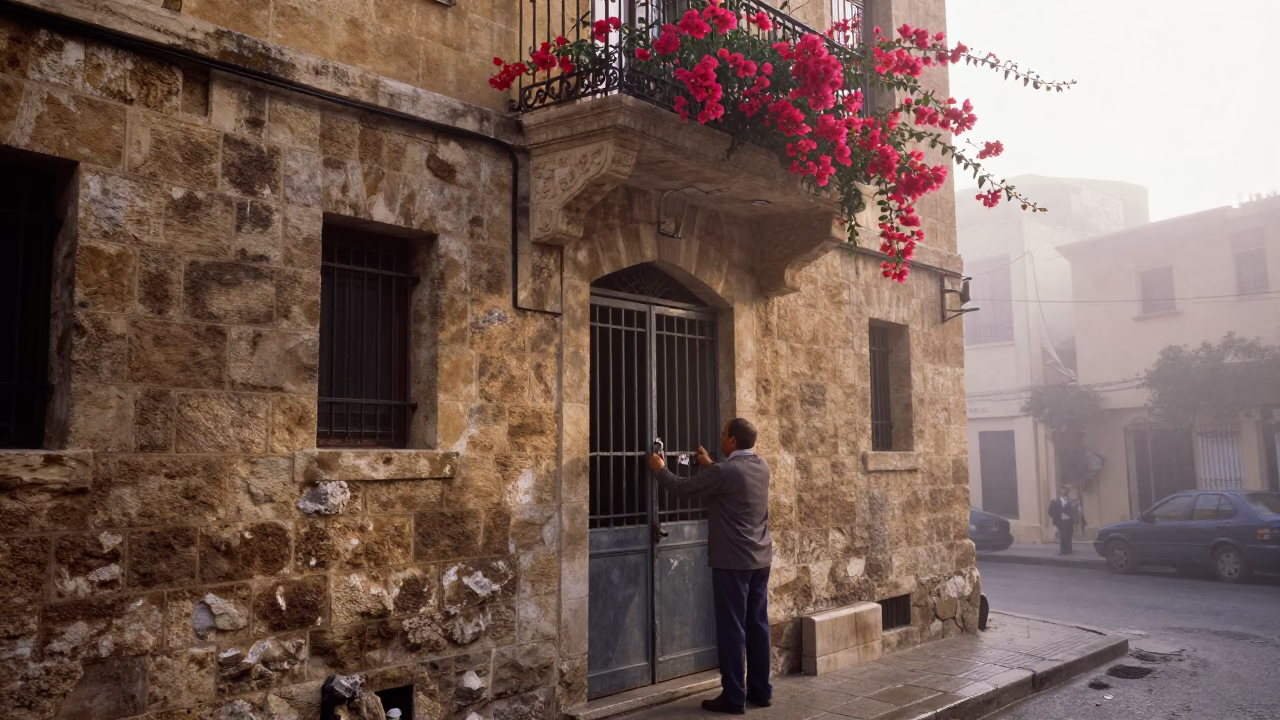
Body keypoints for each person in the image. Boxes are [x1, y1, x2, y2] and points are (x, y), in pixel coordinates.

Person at [649, 418, 772, 715]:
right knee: (757, 626)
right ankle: (761, 690)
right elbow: (731, 485)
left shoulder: (725, 470)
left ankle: (733, 696)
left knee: (732, 628)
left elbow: (681, 489)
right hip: (760, 558)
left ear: (732, 441)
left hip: (732, 561)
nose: (721, 438)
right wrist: (709, 465)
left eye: (723, 434)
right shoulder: (761, 466)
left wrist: (659, 469)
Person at [1047, 489, 1077, 556]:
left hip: (1069, 521)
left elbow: (1073, 511)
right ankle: (1063, 550)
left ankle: (1069, 550)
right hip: (1061, 521)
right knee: (1063, 535)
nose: (1065, 495)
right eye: (1063, 493)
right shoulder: (1055, 501)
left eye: (1066, 493)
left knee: (1069, 535)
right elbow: (1049, 511)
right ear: (1060, 494)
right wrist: (1056, 517)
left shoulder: (1070, 502)